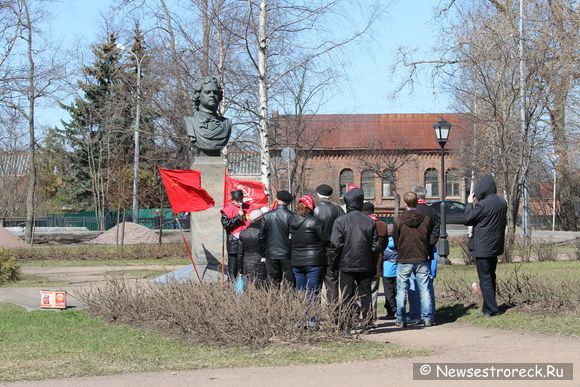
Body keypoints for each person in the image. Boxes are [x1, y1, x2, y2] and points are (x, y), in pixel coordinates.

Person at [330, 188, 379, 333]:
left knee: (346, 296)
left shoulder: (340, 221)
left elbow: (335, 245)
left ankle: (346, 325)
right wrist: (371, 262)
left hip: (346, 265)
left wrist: (333, 264)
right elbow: (375, 246)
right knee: (366, 296)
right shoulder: (369, 222)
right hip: (364, 264)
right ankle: (368, 324)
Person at [464, 175, 507, 317]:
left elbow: (468, 219)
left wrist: (470, 203)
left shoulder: (483, 205)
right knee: (491, 277)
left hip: (482, 247)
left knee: (485, 278)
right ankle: (487, 309)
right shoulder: (502, 202)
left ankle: (493, 309)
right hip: (495, 245)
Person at [393, 191, 434, 328]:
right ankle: (427, 317)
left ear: (405, 203)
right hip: (421, 256)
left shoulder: (399, 220)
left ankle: (401, 317)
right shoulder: (425, 219)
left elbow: (396, 238)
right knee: (424, 289)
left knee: (401, 289)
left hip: (404, 257)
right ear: (417, 202)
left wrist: (401, 250)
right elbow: (428, 238)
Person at [407, 184, 441, 322]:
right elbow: (436, 231)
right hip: (428, 251)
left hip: (412, 251)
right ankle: (429, 313)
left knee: (413, 282)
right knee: (427, 283)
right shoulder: (433, 212)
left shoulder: (410, 213)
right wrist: (430, 244)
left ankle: (415, 314)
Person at [184, 76, 232, 156]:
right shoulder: (190, 123)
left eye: (215, 92)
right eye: (207, 92)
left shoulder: (227, 124)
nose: (212, 95)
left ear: (219, 96)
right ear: (198, 96)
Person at [290, 194, 326, 299]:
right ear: (311, 207)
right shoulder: (315, 222)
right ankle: (312, 316)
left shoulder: (292, 221)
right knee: (313, 293)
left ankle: (302, 314)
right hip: (314, 261)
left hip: (297, 260)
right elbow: (324, 238)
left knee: (300, 292)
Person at [313, 184, 344, 304]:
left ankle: (314, 318)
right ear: (330, 195)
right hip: (333, 250)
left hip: (315, 250)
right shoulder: (338, 210)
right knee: (332, 282)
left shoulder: (312, 209)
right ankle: (334, 315)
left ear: (317, 193)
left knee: (315, 283)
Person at [361, 202, 388, 322]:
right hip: (377, 262)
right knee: (373, 292)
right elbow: (385, 244)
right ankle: (372, 318)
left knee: (360, 291)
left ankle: (361, 317)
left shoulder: (359, 223)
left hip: (360, 262)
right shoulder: (382, 225)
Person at [260, 190, 294, 286]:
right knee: (289, 283)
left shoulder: (267, 216)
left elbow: (261, 237)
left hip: (271, 253)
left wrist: (264, 253)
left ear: (276, 199)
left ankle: (274, 300)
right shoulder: (292, 216)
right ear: (288, 202)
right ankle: (289, 301)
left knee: (272, 282)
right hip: (287, 254)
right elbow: (294, 236)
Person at [220, 189, 252, 279]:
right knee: (233, 270)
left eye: (241, 199)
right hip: (234, 244)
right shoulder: (226, 211)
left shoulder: (249, 208)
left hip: (247, 243)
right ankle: (232, 289)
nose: (240, 202)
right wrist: (238, 217)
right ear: (233, 200)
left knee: (246, 270)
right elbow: (226, 225)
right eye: (238, 200)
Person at [238, 209, 267, 287]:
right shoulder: (262, 232)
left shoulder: (243, 233)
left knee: (248, 287)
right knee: (261, 287)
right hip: (260, 262)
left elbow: (240, 253)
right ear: (260, 219)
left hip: (246, 263)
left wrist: (240, 268)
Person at [382, 236, 398, 319]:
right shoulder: (397, 248)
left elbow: (382, 257)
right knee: (397, 292)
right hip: (397, 273)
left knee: (389, 293)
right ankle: (398, 310)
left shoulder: (385, 250)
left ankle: (391, 311)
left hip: (386, 273)